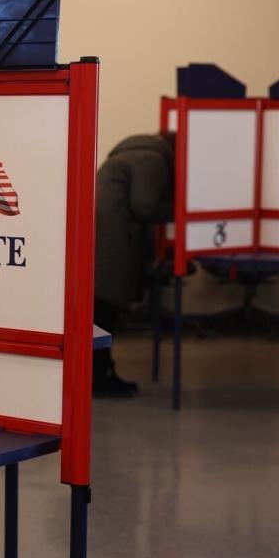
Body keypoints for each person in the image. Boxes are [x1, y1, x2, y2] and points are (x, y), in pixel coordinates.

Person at [93, 133, 175, 397]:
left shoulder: (128, 155)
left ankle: (98, 373)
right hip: (116, 242)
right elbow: (144, 206)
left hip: (102, 239)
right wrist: (181, 211)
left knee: (98, 313)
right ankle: (99, 378)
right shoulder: (152, 160)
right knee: (104, 315)